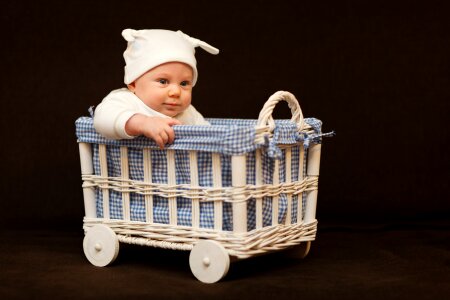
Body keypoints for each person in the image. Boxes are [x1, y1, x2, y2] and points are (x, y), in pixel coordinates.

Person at [93, 29, 219, 149]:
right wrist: (143, 123)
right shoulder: (125, 100)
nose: (176, 92)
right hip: (129, 170)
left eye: (184, 83)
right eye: (163, 81)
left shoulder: (189, 113)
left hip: (179, 171)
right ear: (133, 83)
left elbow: (209, 137)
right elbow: (101, 120)